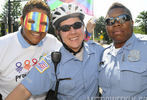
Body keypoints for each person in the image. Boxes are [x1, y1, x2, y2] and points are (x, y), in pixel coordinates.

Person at [6, 3, 104, 100]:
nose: (73, 31)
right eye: (65, 28)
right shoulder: (51, 62)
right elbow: (23, 91)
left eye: (77, 25)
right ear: (58, 33)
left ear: (83, 26)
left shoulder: (98, 51)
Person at [0, 0, 62, 100]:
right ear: (22, 21)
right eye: (32, 22)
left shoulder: (52, 42)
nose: (37, 29)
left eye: (43, 23)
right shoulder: (2, 46)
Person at [98, 2, 147, 99]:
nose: (116, 24)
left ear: (132, 23)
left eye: (123, 18)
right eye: (110, 21)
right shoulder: (104, 53)